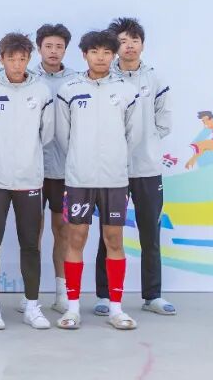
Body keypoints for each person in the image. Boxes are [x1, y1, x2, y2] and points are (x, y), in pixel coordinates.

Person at [54, 30, 139, 331]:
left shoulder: (126, 90)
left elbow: (133, 135)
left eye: (106, 52)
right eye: (94, 52)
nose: (100, 57)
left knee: (114, 239)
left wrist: (116, 158)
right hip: (79, 178)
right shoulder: (69, 89)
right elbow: (63, 136)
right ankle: (72, 308)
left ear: (113, 55)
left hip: (115, 179)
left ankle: (116, 309)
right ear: (84, 55)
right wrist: (81, 158)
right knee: (75, 238)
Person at [95, 18, 175, 318]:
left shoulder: (155, 79)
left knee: (150, 233)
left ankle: (152, 295)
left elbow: (164, 121)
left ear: (142, 44)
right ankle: (104, 295)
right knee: (108, 233)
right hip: (112, 170)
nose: (129, 46)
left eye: (134, 40)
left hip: (147, 168)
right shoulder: (106, 79)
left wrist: (147, 140)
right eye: (123, 41)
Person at [0, 33, 54, 331]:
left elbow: (47, 134)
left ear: (29, 59)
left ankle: (32, 306)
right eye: (11, 59)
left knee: (30, 245)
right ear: (1, 59)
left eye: (22, 59)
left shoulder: (41, 90)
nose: (17, 64)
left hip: (29, 180)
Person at [28, 22, 77, 314]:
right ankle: (31, 296)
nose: (53, 51)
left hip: (64, 170)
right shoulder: (26, 78)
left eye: (59, 47)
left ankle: (62, 294)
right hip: (32, 169)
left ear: (66, 50)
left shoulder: (77, 81)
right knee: (32, 232)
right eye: (48, 46)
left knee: (63, 231)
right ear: (39, 48)